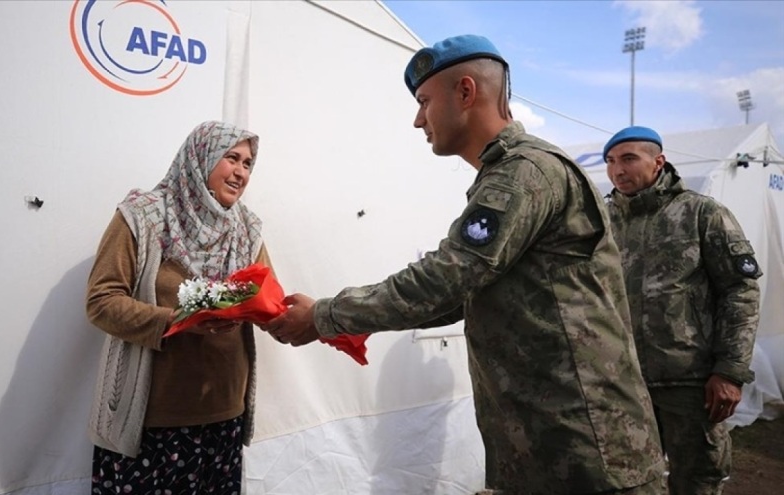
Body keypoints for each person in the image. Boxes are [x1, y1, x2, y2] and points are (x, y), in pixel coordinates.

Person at [264, 34, 665, 494]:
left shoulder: (524, 173)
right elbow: (464, 292)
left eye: (424, 101)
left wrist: (324, 316)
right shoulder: (511, 173)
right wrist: (348, 321)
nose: (418, 120)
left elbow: (447, 276)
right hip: (550, 441)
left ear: (466, 92)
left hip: (585, 448)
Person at [85, 120, 270, 494]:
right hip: (152, 421)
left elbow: (263, 295)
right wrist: (175, 321)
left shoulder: (246, 229)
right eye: (231, 158)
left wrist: (300, 316)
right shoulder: (143, 217)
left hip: (224, 415)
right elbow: (101, 301)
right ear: (200, 158)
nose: (240, 172)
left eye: (248, 163)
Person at [603, 126, 762, 494]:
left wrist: (730, 371)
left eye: (629, 159)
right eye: (610, 162)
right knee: (626, 480)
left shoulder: (701, 213)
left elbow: (740, 292)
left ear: (658, 162)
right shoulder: (603, 221)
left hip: (689, 383)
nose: (617, 171)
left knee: (697, 481)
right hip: (623, 381)